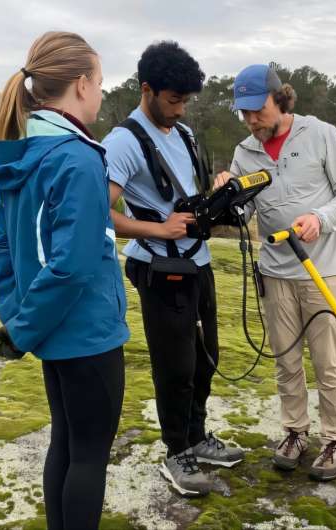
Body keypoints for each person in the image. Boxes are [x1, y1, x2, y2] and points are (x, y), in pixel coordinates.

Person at [0, 31, 129, 530]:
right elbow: (72, 265)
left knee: (66, 443)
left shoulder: (20, 153)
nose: (103, 93)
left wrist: (20, 319)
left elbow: (2, 248)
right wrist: (21, 328)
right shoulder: (78, 158)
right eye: (102, 82)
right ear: (82, 85)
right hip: (87, 334)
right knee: (87, 455)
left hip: (52, 333)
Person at [103, 41, 244, 498]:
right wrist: (159, 229)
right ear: (147, 89)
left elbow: (188, 197)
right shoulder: (123, 142)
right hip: (159, 270)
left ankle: (198, 438)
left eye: (186, 101)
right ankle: (176, 452)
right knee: (175, 366)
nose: (180, 109)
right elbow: (98, 213)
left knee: (207, 358)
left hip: (197, 264)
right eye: (173, 100)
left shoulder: (182, 133)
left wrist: (220, 193)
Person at [214, 64, 336, 481]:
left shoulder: (321, 134)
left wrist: (321, 217)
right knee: (285, 359)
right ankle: (295, 432)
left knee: (328, 361)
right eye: (242, 113)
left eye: (256, 110)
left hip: (322, 270)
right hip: (274, 271)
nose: (249, 120)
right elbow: (242, 212)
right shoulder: (246, 152)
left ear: (279, 98)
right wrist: (228, 194)